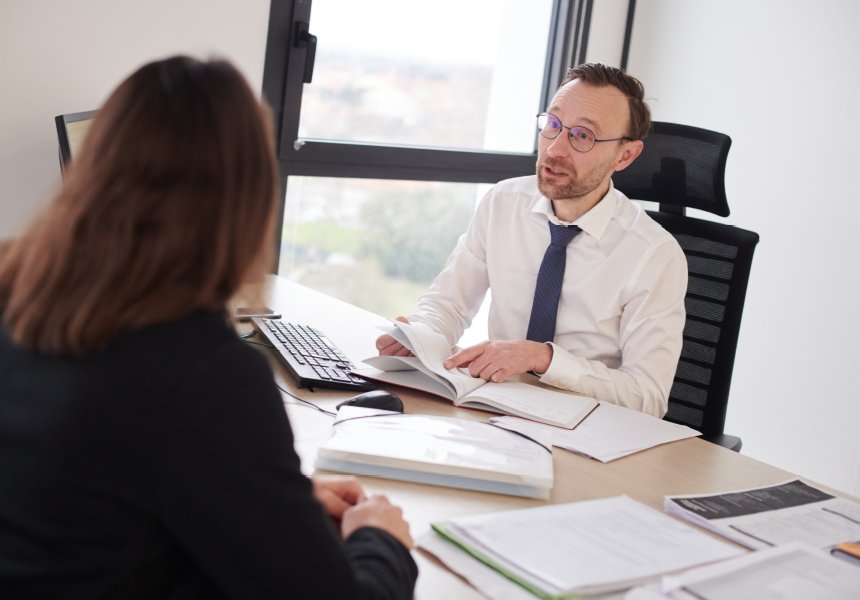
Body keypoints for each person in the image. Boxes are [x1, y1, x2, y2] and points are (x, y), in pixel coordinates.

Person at [0, 56, 417, 599]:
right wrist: (381, 542)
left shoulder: (20, 294)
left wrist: (264, 500)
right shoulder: (204, 374)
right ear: (243, 202)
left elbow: (89, 482)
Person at [377, 63, 687, 418]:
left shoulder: (654, 255)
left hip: (587, 435)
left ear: (625, 155)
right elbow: (449, 303)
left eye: (582, 136)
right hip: (493, 412)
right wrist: (419, 336)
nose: (555, 149)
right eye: (552, 125)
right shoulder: (503, 203)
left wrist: (545, 358)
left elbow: (647, 398)